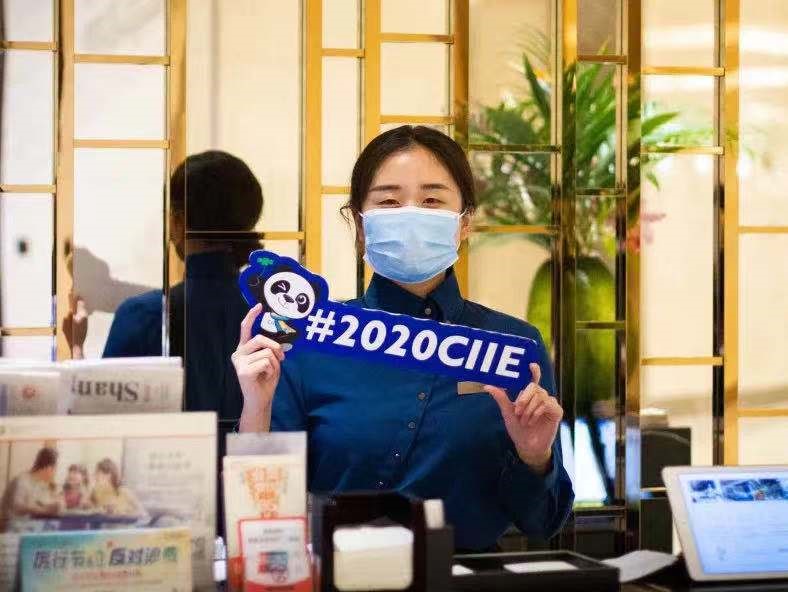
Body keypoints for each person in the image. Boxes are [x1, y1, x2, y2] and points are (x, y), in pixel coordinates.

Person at [232, 126, 574, 551]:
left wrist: (536, 458)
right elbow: (259, 512)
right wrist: (256, 405)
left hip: (466, 577)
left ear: (465, 221)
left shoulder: (513, 347)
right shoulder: (308, 341)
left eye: (432, 200)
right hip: (341, 575)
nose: (411, 214)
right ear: (359, 222)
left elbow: (543, 522)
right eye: (389, 201)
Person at [0, 447, 61, 532]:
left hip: (28, 524)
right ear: (49, 468)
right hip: (13, 525)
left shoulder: (41, 483)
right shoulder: (22, 479)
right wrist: (44, 510)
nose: (54, 472)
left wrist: (51, 506)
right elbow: (18, 506)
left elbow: (42, 503)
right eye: (55, 468)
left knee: (54, 527)